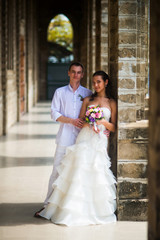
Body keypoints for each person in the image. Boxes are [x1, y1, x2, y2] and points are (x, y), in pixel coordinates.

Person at [39, 70, 117, 226]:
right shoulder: (88, 99)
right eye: (94, 82)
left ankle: (94, 211)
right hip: (85, 138)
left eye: (99, 82)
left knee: (96, 172)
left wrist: (101, 122)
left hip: (99, 141)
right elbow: (82, 120)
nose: (95, 85)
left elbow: (113, 126)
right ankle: (72, 209)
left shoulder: (111, 102)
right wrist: (91, 120)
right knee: (79, 171)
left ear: (106, 82)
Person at [34, 62, 92, 217]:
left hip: (81, 139)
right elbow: (54, 113)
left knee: (78, 172)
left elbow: (93, 115)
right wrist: (71, 121)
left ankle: (74, 206)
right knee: (56, 172)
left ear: (82, 74)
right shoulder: (60, 92)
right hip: (65, 137)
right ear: (68, 73)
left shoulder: (88, 93)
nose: (76, 75)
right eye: (73, 72)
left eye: (79, 72)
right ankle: (48, 205)